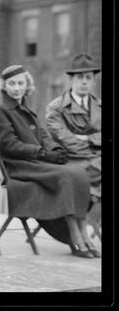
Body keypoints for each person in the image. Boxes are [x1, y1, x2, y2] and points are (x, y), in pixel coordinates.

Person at [0, 65, 100, 258]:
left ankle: (83, 233)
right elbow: (9, 145)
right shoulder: (2, 110)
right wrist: (42, 154)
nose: (16, 88)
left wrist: (56, 150)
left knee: (79, 173)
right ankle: (75, 237)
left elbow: (44, 136)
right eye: (12, 84)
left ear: (27, 86)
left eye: (20, 83)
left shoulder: (26, 110)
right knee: (68, 175)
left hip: (37, 163)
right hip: (20, 167)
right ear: (4, 86)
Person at [45, 53, 101, 231]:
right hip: (70, 161)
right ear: (71, 79)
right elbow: (65, 139)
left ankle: (87, 206)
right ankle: (77, 225)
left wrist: (87, 138)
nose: (84, 81)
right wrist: (95, 143)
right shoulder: (56, 107)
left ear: (94, 80)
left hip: (94, 162)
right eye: (79, 77)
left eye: (88, 77)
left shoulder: (101, 106)